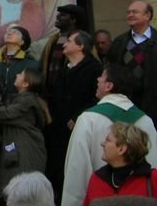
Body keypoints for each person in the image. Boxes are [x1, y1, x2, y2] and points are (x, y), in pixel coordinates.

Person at [62, 64, 157, 206]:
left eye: (102, 76)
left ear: (108, 86)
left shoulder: (88, 119)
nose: (98, 79)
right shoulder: (146, 121)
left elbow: (77, 170)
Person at [46, 30, 103, 204]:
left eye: (69, 41)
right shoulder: (64, 70)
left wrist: (78, 117)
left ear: (80, 46)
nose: (64, 44)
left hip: (81, 128)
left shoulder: (95, 69)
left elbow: (97, 97)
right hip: (59, 130)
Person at [0, 69, 49, 195]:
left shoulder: (26, 102)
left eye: (21, 74)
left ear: (25, 84)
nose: (17, 74)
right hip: (19, 153)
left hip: (23, 156)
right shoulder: (24, 100)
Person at [83, 122, 157, 205]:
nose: (102, 143)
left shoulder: (152, 179)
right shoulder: (96, 179)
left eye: (108, 140)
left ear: (122, 149)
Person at [108, 1, 157, 125]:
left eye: (134, 12)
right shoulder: (120, 42)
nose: (130, 15)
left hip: (153, 104)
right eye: (128, 12)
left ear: (147, 15)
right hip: (126, 106)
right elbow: (112, 70)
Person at [40, 4, 87, 93]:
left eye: (63, 15)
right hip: (51, 93)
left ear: (73, 20)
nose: (58, 16)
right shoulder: (55, 39)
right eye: (59, 14)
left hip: (71, 93)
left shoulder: (83, 40)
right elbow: (42, 65)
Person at [0, 25, 39, 99]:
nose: (9, 33)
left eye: (15, 32)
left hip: (19, 107)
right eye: (7, 32)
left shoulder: (31, 65)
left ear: (22, 42)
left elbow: (33, 92)